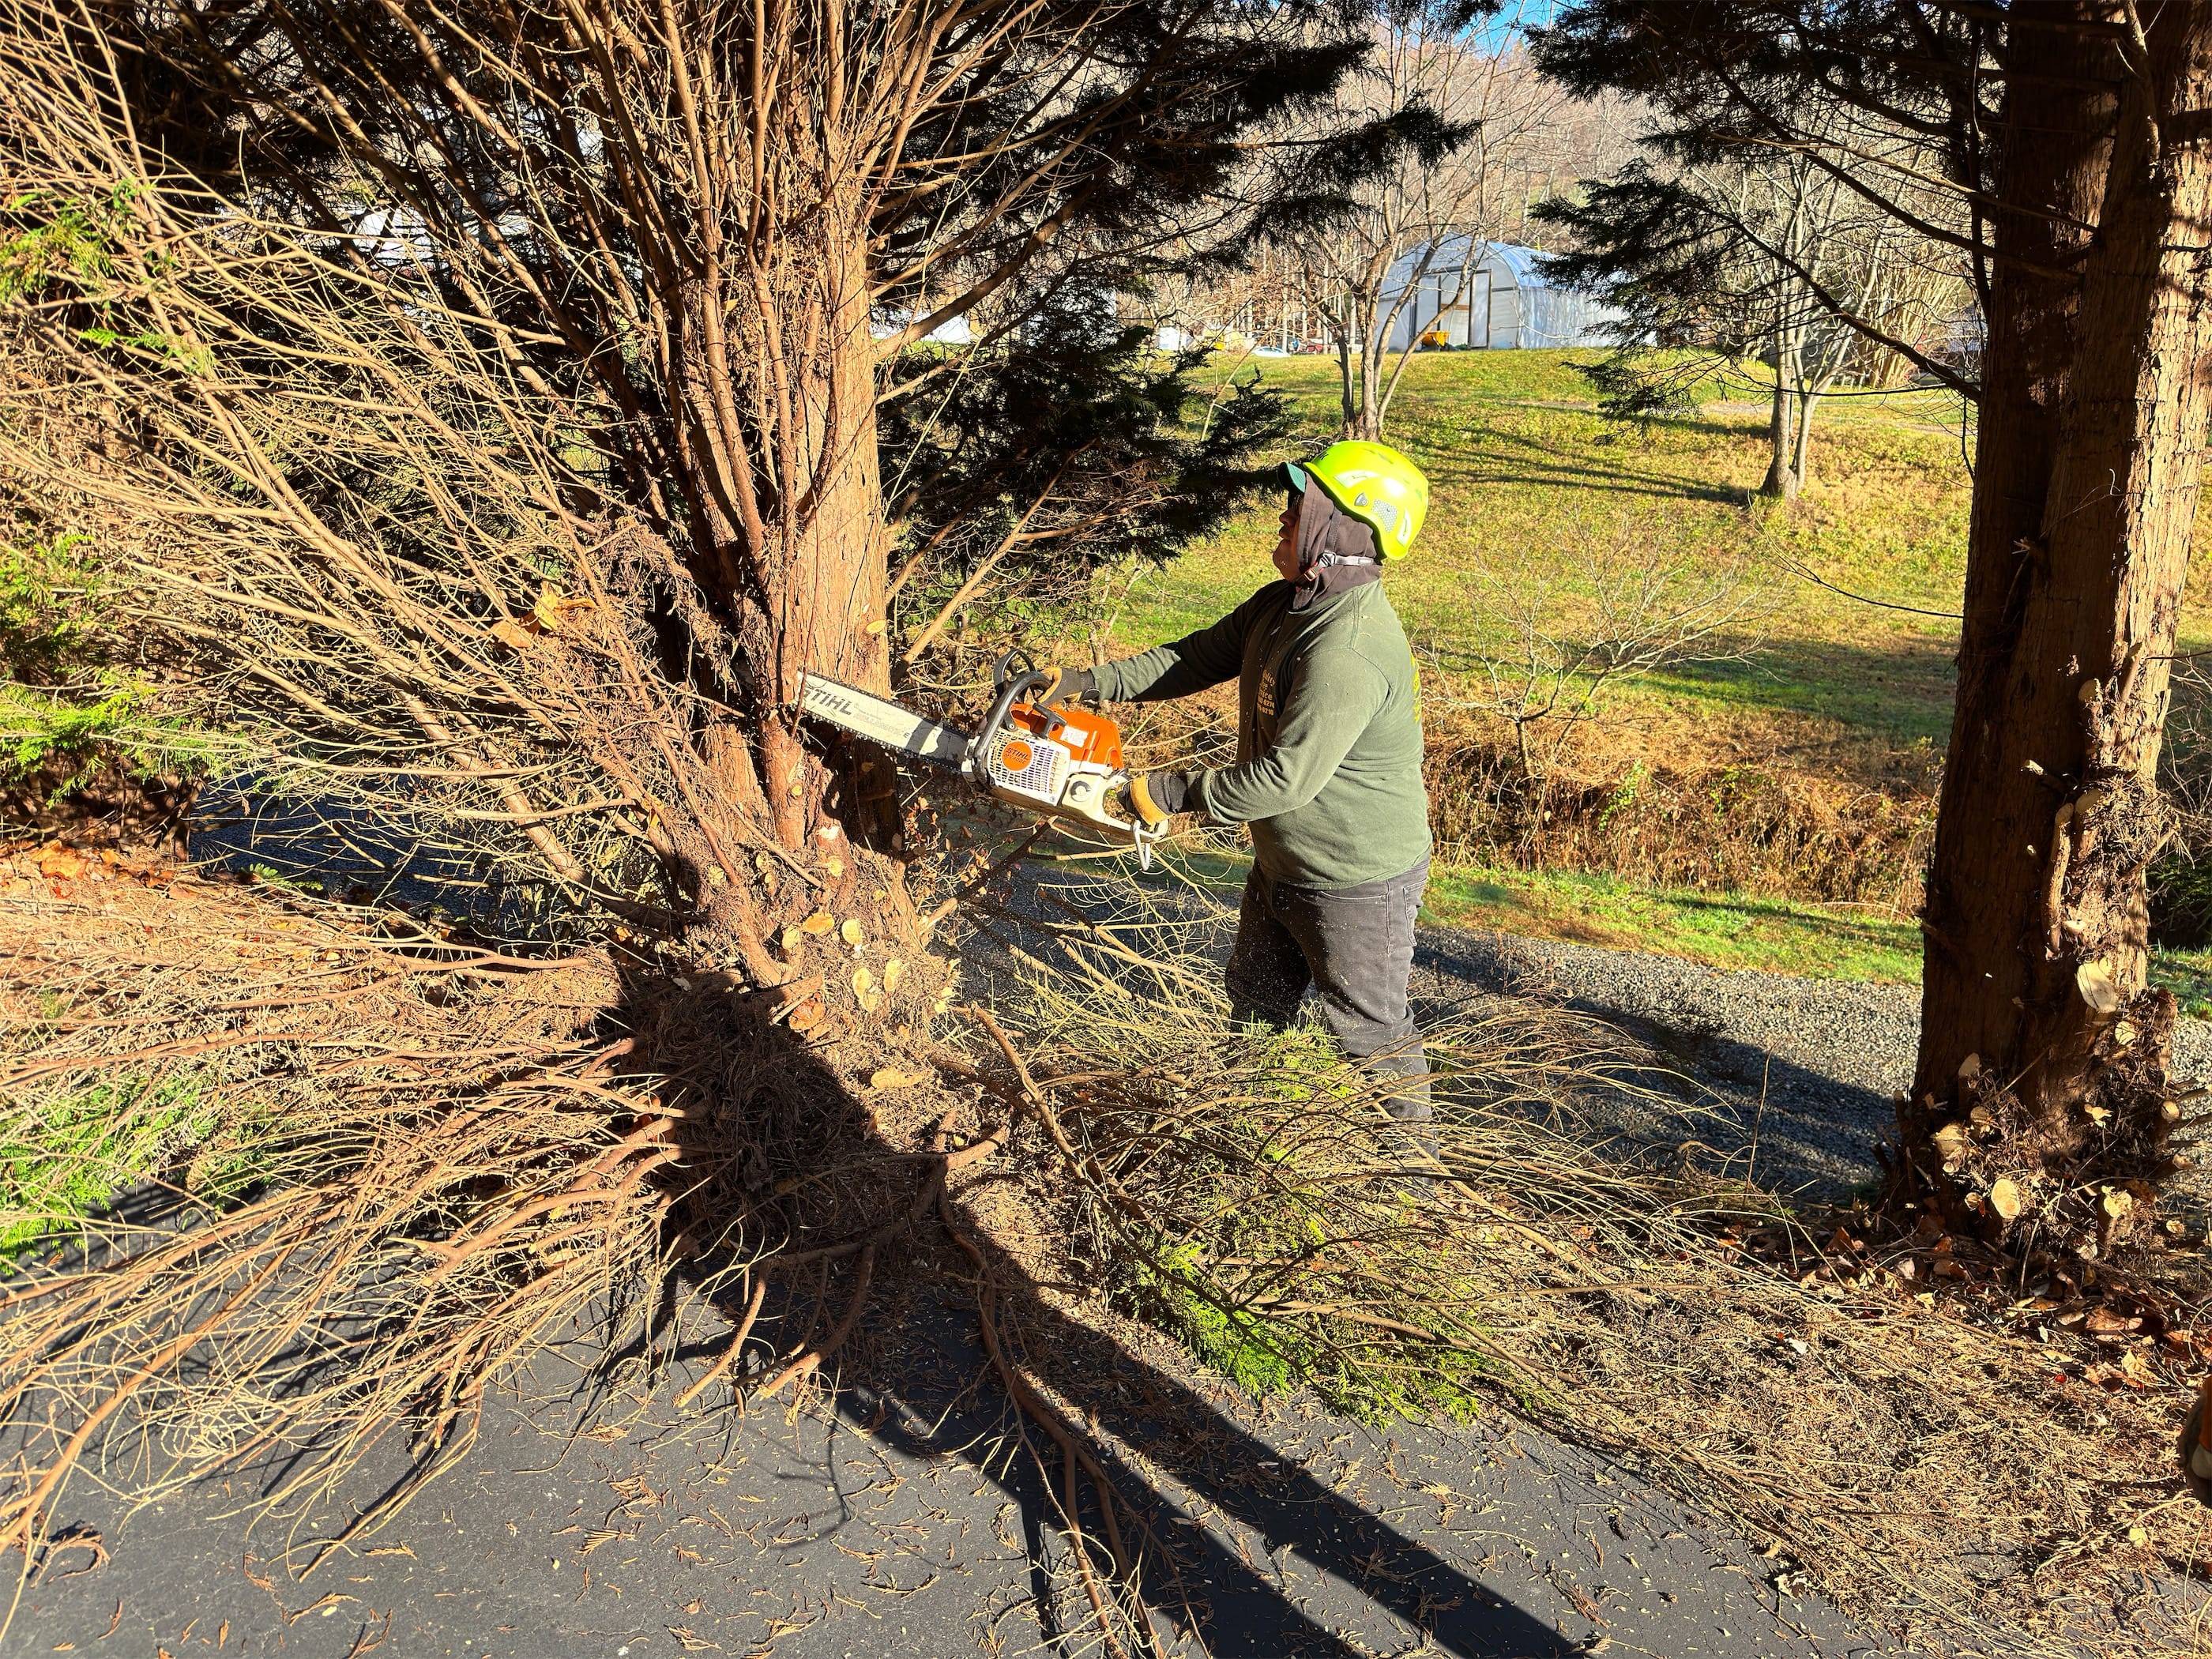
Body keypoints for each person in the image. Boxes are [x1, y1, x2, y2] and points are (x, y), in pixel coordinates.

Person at [1045, 440, 1435, 1134]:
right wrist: (1083, 687)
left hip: (1356, 880)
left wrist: (1170, 792)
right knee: (1256, 1008)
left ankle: (1415, 1191)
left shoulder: (1346, 650)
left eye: (1299, 508)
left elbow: (1285, 780)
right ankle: (1252, 1143)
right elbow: (1192, 658)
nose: (1283, 519)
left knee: (1371, 1043)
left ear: (1340, 530)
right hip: (1284, 864)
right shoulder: (1283, 606)